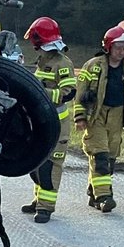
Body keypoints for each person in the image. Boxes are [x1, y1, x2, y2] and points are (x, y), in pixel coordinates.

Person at [73, 24, 124, 213]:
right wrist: (80, 116)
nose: (121, 52)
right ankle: (105, 197)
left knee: (110, 158)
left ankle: (93, 193)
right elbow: (81, 92)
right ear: (108, 47)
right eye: (118, 47)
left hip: (118, 116)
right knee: (100, 155)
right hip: (96, 115)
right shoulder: (93, 66)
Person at [20, 17, 77, 223]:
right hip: (42, 123)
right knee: (36, 163)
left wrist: (38, 92)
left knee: (50, 167)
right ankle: (38, 201)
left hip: (58, 126)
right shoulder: (43, 60)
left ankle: (46, 208)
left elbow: (68, 93)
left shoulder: (63, 63)